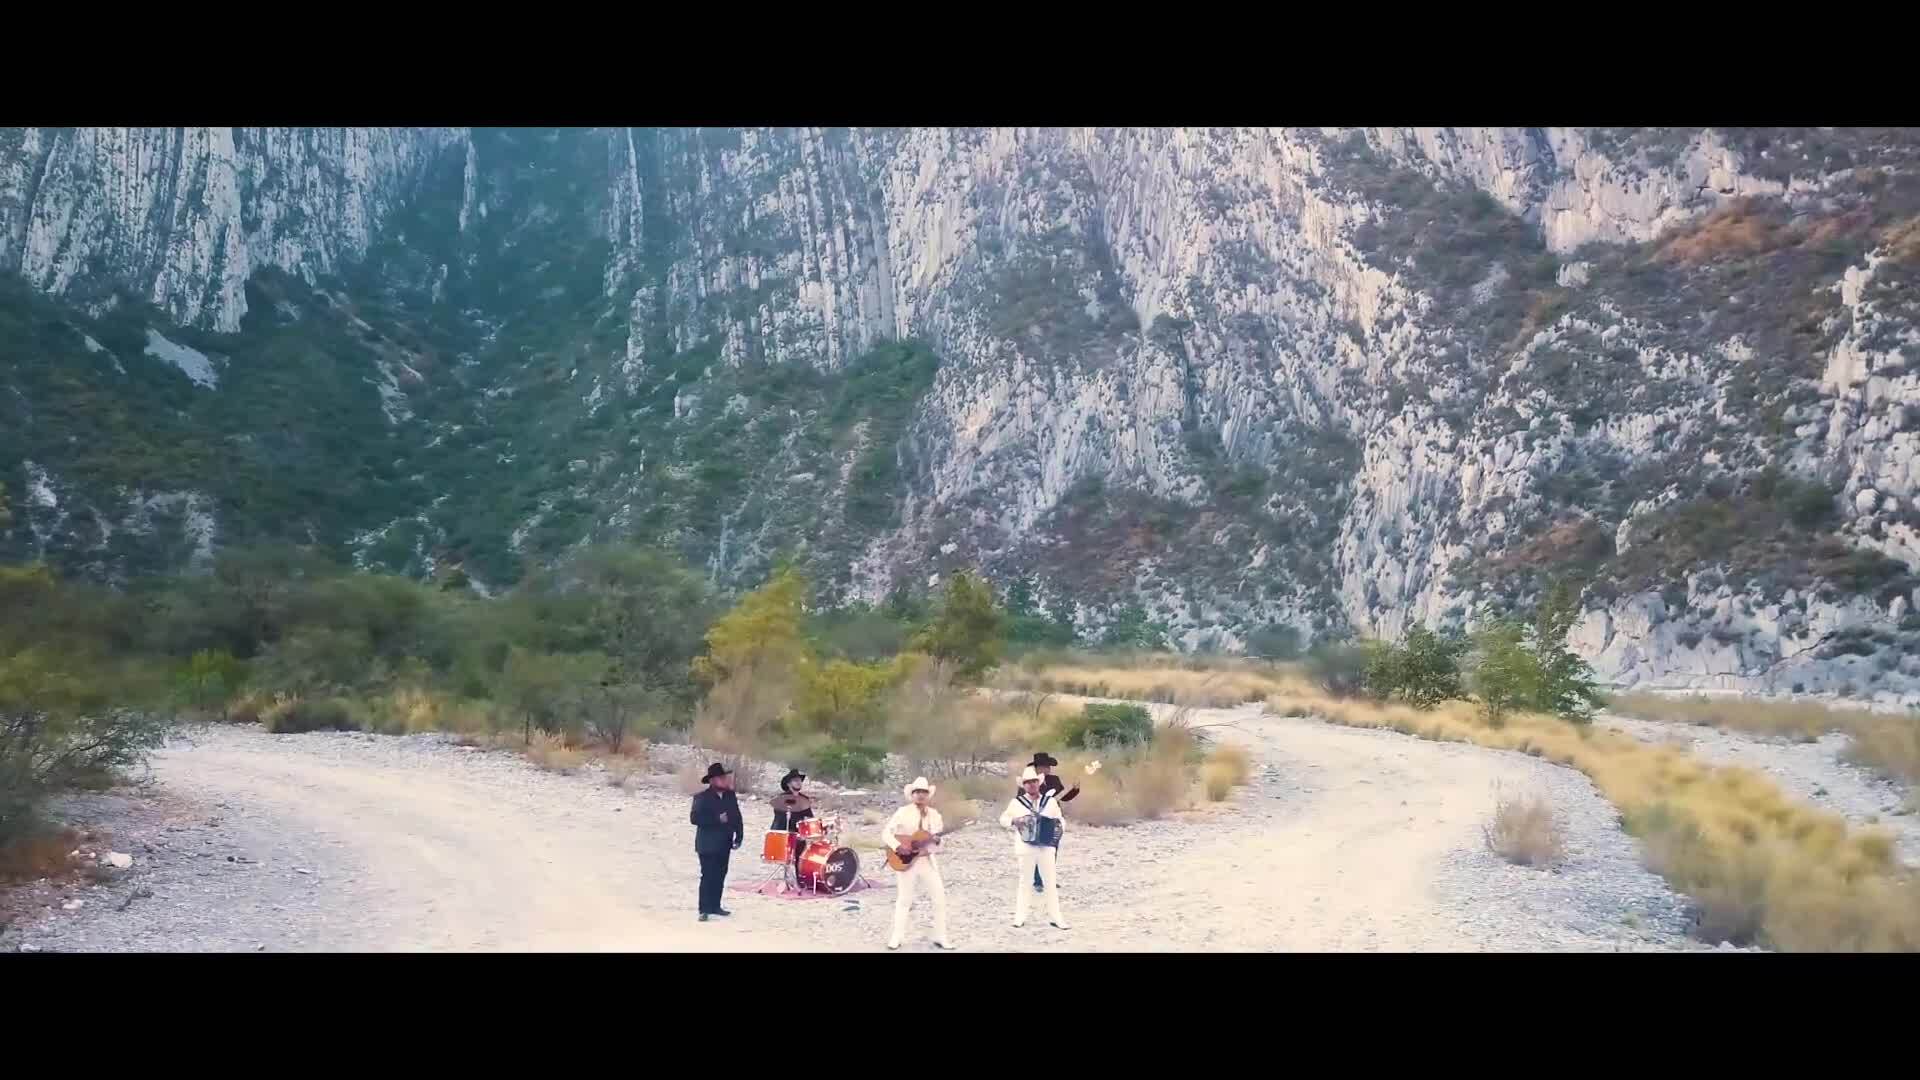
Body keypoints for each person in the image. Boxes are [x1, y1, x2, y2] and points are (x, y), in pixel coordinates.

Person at [880, 777, 954, 951]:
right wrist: (898, 846)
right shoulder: (902, 812)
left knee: (939, 898)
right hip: (906, 861)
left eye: (924, 792)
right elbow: (886, 833)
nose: (921, 795)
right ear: (912, 795)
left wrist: (936, 842)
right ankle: (896, 937)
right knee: (904, 900)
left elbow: (938, 843)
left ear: (928, 795)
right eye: (917, 792)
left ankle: (941, 936)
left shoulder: (934, 815)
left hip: (926, 861)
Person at [999, 766, 1069, 930]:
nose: (1031, 784)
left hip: (1046, 846)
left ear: (1039, 783)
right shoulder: (1017, 803)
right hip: (1026, 846)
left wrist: (1057, 833)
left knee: (1050, 882)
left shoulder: (1050, 802)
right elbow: (1003, 819)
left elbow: (1060, 820)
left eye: (1034, 781)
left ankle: (1056, 917)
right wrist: (1014, 821)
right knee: (1025, 882)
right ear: (1023, 785)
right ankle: (1020, 917)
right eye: (1028, 782)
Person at [690, 761, 743, 921]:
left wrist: (739, 836)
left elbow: (737, 816)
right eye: (722, 778)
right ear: (713, 780)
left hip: (724, 843)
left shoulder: (730, 795)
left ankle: (715, 906)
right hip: (707, 844)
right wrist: (716, 819)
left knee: (720, 874)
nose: (725, 780)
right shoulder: (702, 797)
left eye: (725, 777)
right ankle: (704, 909)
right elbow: (695, 818)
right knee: (708, 875)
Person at [1029, 753, 1079, 893]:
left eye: (1048, 766)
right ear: (1037, 768)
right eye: (1044, 766)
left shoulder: (1054, 780)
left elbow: (1064, 798)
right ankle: (1038, 881)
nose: (1047, 769)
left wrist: (1075, 790)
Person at [770, 768, 815, 877]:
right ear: (789, 784)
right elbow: (779, 818)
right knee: (789, 856)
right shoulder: (781, 799)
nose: (799, 782)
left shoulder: (804, 799)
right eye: (795, 780)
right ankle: (789, 875)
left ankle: (800, 877)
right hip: (785, 831)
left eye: (800, 780)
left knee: (802, 856)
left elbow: (810, 817)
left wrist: (807, 827)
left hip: (800, 833)